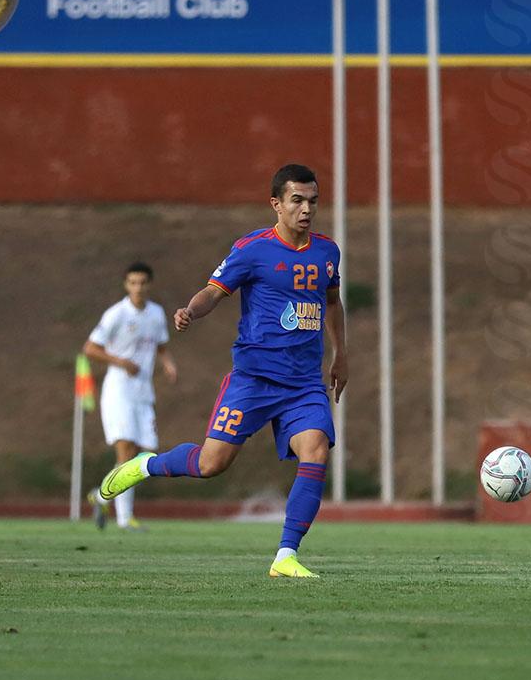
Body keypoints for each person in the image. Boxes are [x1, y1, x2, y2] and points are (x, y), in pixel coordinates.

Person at [99, 164, 347, 578]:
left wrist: (342, 354)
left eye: (313, 201)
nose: (307, 209)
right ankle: (145, 465)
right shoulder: (252, 249)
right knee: (211, 464)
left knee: (316, 450)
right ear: (277, 204)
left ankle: (286, 555)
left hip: (304, 382)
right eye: (297, 201)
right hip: (253, 379)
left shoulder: (327, 252)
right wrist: (190, 312)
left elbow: (334, 303)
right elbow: (214, 292)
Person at [83, 262, 177, 532]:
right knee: (125, 451)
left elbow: (161, 346)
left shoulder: (156, 313)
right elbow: (90, 348)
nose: (138, 287)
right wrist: (120, 362)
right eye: (133, 282)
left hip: (143, 394)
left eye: (143, 282)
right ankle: (125, 518)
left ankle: (101, 496)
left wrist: (168, 363)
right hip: (118, 392)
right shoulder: (116, 314)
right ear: (126, 285)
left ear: (149, 284)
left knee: (144, 454)